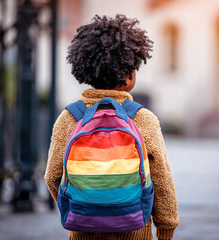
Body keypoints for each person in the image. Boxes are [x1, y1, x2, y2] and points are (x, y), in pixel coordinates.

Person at [44, 14, 179, 240]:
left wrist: (80, 205)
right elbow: (162, 179)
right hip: (135, 228)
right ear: (129, 74)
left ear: (85, 69)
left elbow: (52, 176)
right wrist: (166, 227)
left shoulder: (69, 118)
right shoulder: (143, 119)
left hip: (83, 227)